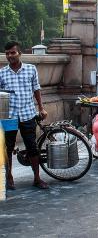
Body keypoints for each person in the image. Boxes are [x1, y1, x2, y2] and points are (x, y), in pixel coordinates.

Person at [0, 41, 49, 190]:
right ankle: (9, 177)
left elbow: (36, 89)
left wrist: (41, 108)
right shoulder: (2, 73)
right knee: (7, 148)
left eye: (13, 52)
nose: (10, 56)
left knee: (32, 147)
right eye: (7, 53)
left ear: (19, 53)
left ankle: (37, 178)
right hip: (9, 116)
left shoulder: (30, 69)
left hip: (28, 114)